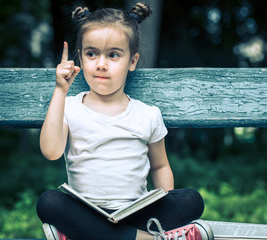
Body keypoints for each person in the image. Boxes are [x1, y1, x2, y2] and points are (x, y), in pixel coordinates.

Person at [36, 3, 214, 240]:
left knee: (192, 200)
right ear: (80, 58)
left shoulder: (147, 114)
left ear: (132, 61)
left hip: (135, 211)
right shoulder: (69, 107)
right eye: (92, 54)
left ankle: (86, 235)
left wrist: (166, 202)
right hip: (86, 210)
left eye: (113, 55)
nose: (101, 63)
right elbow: (51, 152)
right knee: (49, 202)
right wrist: (60, 90)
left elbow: (160, 166)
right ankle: (147, 238)